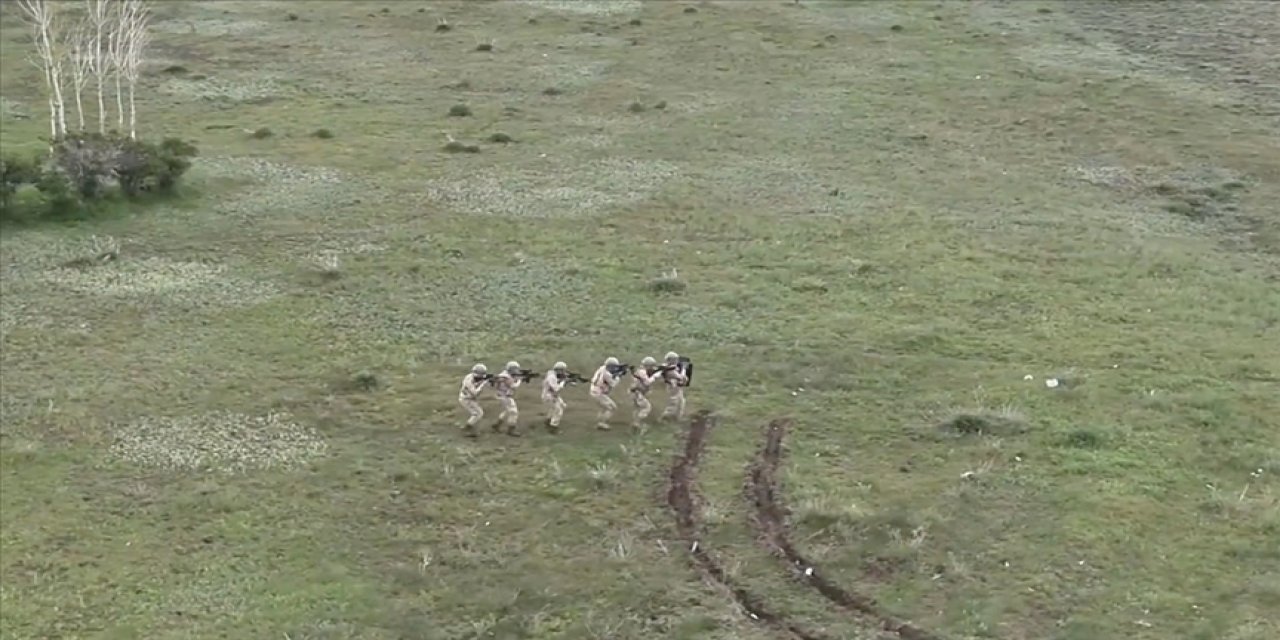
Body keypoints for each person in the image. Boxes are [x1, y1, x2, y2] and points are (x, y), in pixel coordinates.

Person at [490, 360, 524, 436]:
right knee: (513, 412)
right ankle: (511, 429)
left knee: (506, 411)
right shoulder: (506, 377)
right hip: (504, 396)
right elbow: (513, 386)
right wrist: (519, 380)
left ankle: (496, 425)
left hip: (502, 395)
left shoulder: (504, 375)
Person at [589, 356, 621, 431]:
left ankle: (600, 421)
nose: (615, 369)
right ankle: (602, 423)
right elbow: (613, 384)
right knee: (612, 407)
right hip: (598, 393)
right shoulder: (607, 374)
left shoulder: (602, 368)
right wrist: (618, 377)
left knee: (603, 408)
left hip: (594, 391)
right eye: (614, 367)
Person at [458, 363, 489, 438]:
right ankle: (467, 428)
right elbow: (475, 393)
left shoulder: (472, 377)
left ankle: (470, 428)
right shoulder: (468, 380)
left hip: (469, 398)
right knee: (478, 414)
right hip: (466, 399)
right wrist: (483, 384)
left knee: (477, 414)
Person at [630, 356, 660, 431]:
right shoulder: (642, 372)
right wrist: (655, 376)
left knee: (637, 408)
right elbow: (647, 382)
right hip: (637, 392)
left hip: (635, 392)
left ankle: (636, 423)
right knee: (646, 407)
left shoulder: (639, 371)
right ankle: (637, 423)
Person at [542, 361, 569, 433]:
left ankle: (548, 420)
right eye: (563, 370)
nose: (564, 372)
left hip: (552, 395)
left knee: (560, 406)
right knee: (558, 410)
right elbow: (556, 389)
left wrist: (563, 380)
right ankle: (553, 427)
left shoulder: (552, 374)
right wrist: (563, 382)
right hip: (549, 396)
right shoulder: (552, 377)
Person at [660, 351, 688, 421]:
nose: (676, 361)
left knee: (681, 402)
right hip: (673, 388)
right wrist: (684, 369)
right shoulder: (669, 370)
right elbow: (680, 377)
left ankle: (678, 417)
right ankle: (664, 417)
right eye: (675, 359)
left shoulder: (672, 368)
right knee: (673, 403)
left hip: (677, 387)